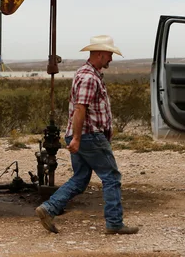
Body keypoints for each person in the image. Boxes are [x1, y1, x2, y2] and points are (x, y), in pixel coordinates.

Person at [35, 35, 139, 235]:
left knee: (81, 177)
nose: (111, 59)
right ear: (100, 54)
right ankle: (115, 223)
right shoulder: (90, 78)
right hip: (89, 136)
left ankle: (49, 208)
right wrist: (77, 138)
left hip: (84, 135)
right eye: (109, 55)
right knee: (112, 177)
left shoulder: (87, 73)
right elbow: (80, 109)